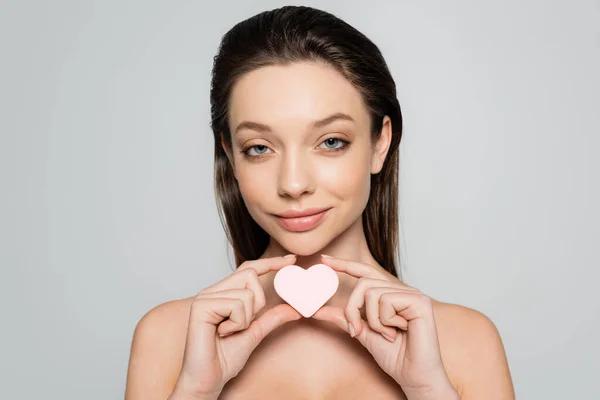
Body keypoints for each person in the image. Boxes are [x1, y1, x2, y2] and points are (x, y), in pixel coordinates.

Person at [125, 5, 515, 400]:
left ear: (380, 143)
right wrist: (195, 391)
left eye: (331, 141)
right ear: (230, 155)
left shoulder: (466, 343)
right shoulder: (168, 339)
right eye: (259, 147)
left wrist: (430, 391)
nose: (293, 184)